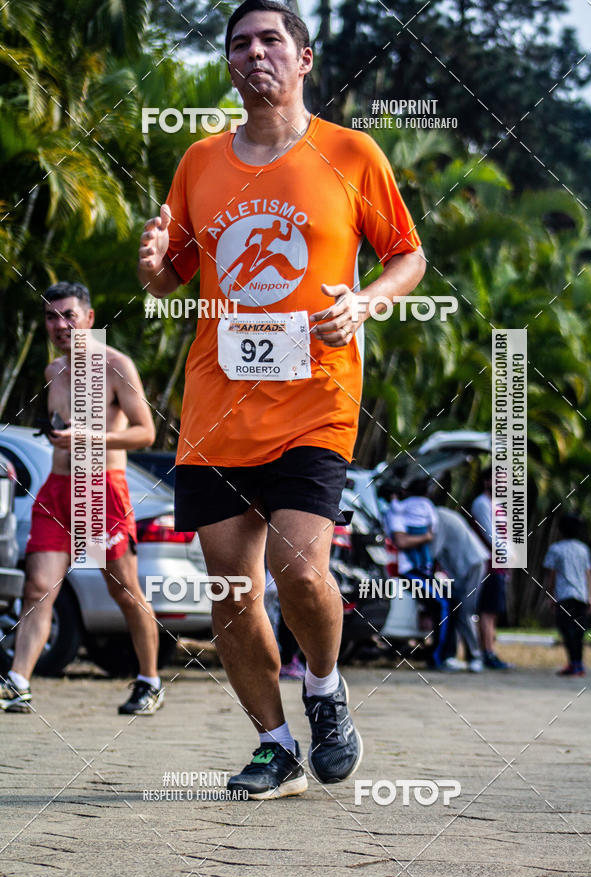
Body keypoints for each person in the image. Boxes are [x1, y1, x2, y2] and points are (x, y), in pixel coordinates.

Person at [138, 0, 426, 799]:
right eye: (240, 43)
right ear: (230, 64)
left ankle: (327, 691)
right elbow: (174, 276)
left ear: (304, 60)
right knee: (232, 591)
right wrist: (155, 263)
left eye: (272, 39)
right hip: (217, 405)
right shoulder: (199, 162)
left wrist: (365, 303)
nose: (254, 51)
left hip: (317, 400)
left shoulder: (350, 153)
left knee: (301, 572)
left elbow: (408, 256)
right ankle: (274, 747)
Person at [0, 282, 163, 715]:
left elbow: (146, 432)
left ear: (89, 318)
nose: (60, 325)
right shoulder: (55, 371)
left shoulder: (116, 365)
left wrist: (90, 435)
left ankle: (149, 679)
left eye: (68, 315)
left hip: (101, 487)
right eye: (52, 317)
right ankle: (19, 682)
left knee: (123, 590)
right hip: (57, 490)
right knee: (38, 586)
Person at [384, 481, 449, 669]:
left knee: (448, 601)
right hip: (409, 571)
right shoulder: (402, 510)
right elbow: (402, 541)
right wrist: (425, 537)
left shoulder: (401, 509)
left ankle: (442, 654)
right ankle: (438, 658)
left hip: (421, 570)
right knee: (444, 603)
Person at [431, 506, 488, 672]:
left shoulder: (439, 518)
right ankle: (453, 656)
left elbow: (433, 551)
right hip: (462, 569)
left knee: (465, 611)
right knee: (457, 609)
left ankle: (475, 657)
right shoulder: (443, 514)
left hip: (471, 565)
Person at [543, 513, 591, 676]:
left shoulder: (556, 549)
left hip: (564, 595)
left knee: (566, 630)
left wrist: (550, 595)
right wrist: (590, 596)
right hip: (581, 595)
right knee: (579, 632)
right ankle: (578, 664)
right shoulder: (583, 549)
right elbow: (589, 574)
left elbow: (551, 575)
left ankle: (573, 663)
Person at [471, 467, 512, 669]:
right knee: (486, 610)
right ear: (487, 481)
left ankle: (490, 651)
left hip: (500, 565)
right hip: (489, 564)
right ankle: (486, 652)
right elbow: (490, 534)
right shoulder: (481, 503)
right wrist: (505, 556)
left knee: (493, 610)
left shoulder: (497, 505)